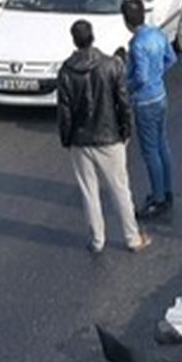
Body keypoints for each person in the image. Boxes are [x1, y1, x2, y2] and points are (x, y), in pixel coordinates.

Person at [56, 20, 151, 254]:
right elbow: (123, 103)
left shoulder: (66, 72)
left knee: (89, 192)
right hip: (110, 137)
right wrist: (126, 131)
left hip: (80, 140)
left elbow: (64, 112)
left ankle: (97, 240)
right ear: (93, 37)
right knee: (120, 189)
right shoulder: (112, 64)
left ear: (74, 40)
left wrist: (67, 139)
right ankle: (132, 237)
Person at [121, 0, 177, 219]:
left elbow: (141, 78)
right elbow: (170, 59)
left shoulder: (137, 44)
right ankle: (166, 190)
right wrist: (158, 75)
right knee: (162, 145)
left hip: (145, 101)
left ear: (126, 21)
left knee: (150, 150)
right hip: (161, 95)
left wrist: (127, 87)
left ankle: (158, 198)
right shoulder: (157, 34)